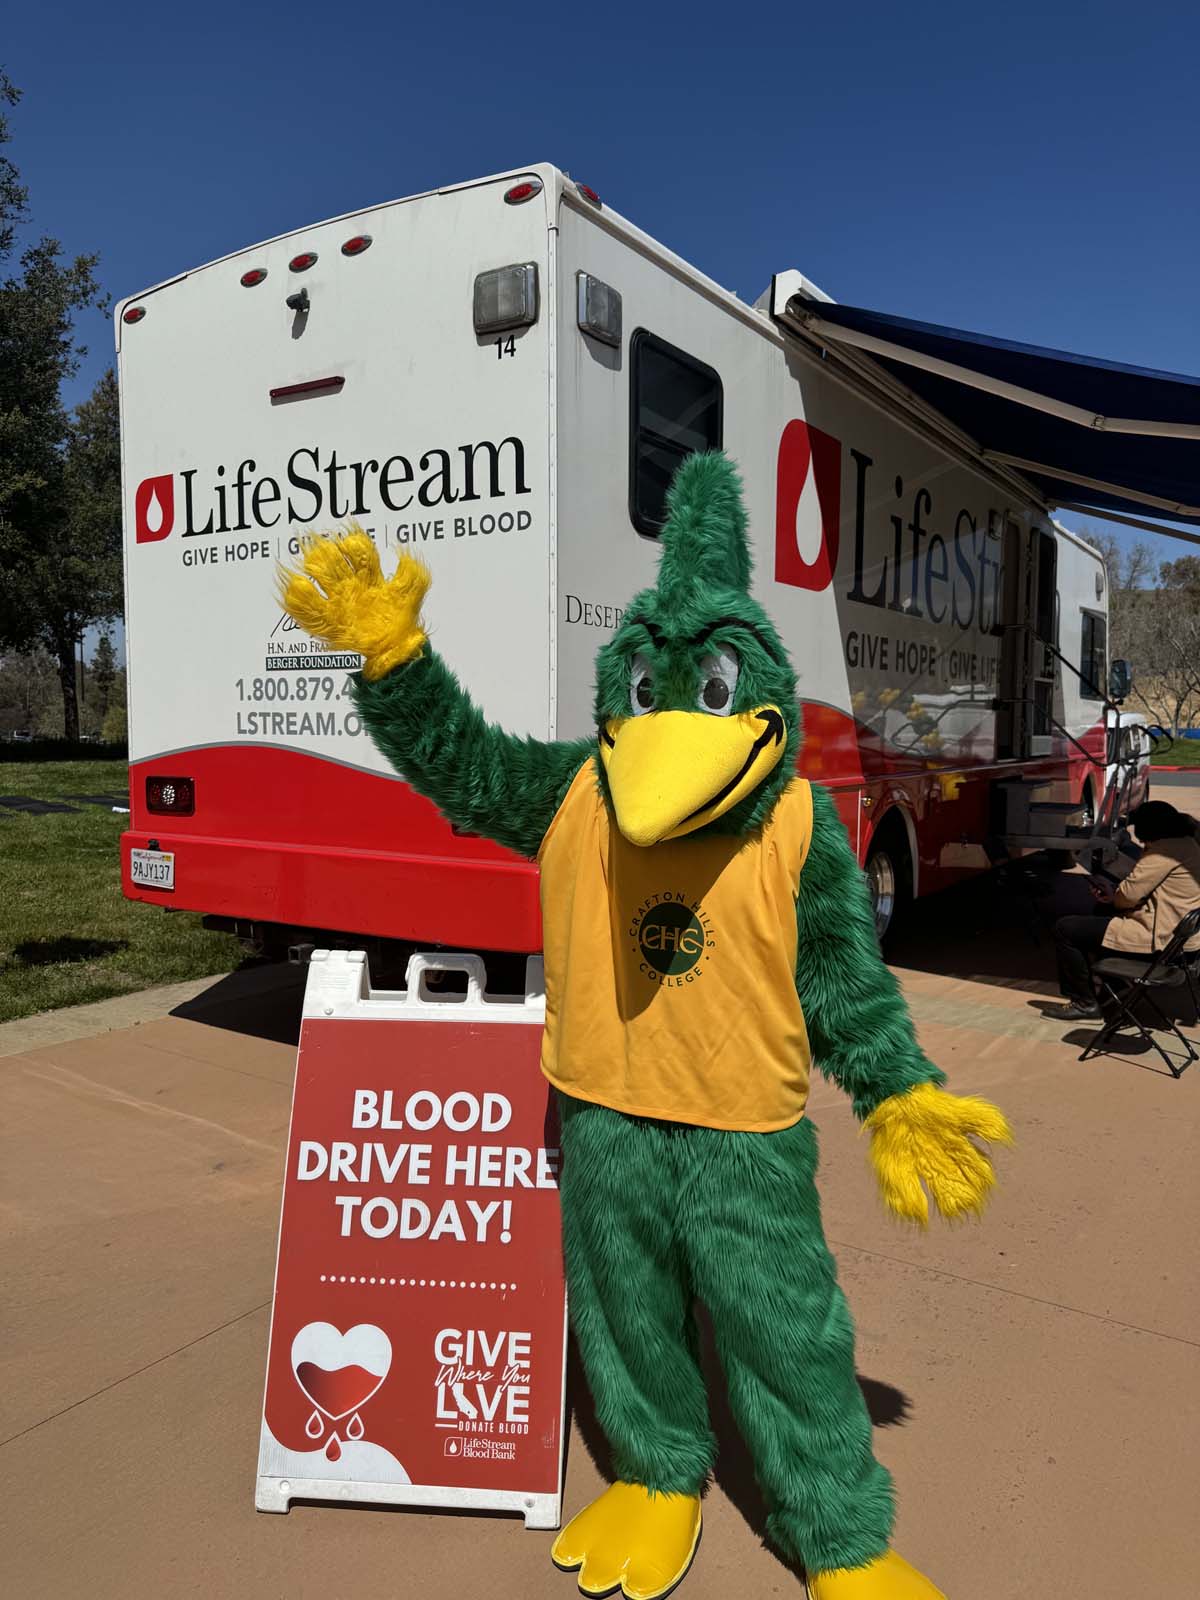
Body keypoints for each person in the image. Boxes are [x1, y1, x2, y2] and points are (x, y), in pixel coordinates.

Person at [1050, 800, 1200, 1020]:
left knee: (1065, 929)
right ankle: (1114, 984)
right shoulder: (1189, 845)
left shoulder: (1163, 852)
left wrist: (1114, 894)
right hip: (1184, 941)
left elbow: (1126, 898)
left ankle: (1085, 1003)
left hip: (1162, 942)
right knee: (1098, 915)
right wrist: (1115, 897)